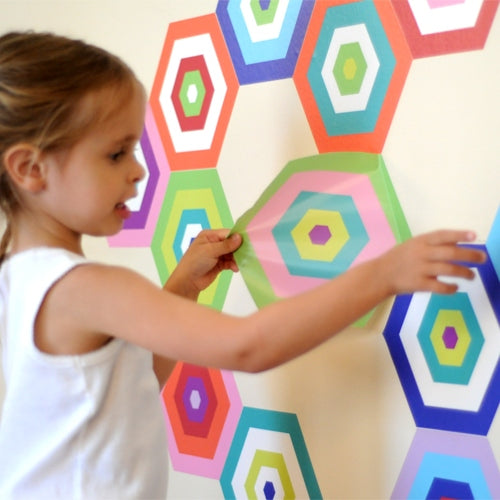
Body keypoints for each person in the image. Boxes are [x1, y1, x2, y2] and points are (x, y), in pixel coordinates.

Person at [0, 31, 486, 499]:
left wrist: (185, 286)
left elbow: (131, 382)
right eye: (115, 154)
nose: (138, 169)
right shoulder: (85, 288)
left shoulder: (21, 278)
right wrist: (382, 275)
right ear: (30, 169)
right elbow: (247, 346)